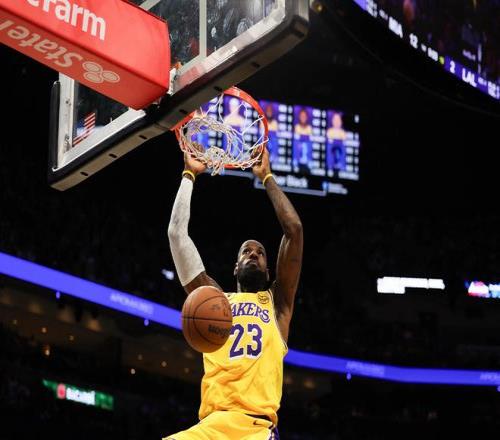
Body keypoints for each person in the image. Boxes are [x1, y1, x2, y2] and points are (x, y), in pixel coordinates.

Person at [165, 146, 303, 439]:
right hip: (211, 427)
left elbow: (294, 230)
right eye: (246, 251)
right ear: (235, 268)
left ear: (269, 272)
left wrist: (267, 177)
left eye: (260, 252)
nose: (253, 254)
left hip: (255, 429)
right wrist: (189, 174)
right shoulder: (214, 300)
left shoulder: (277, 304)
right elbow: (176, 235)